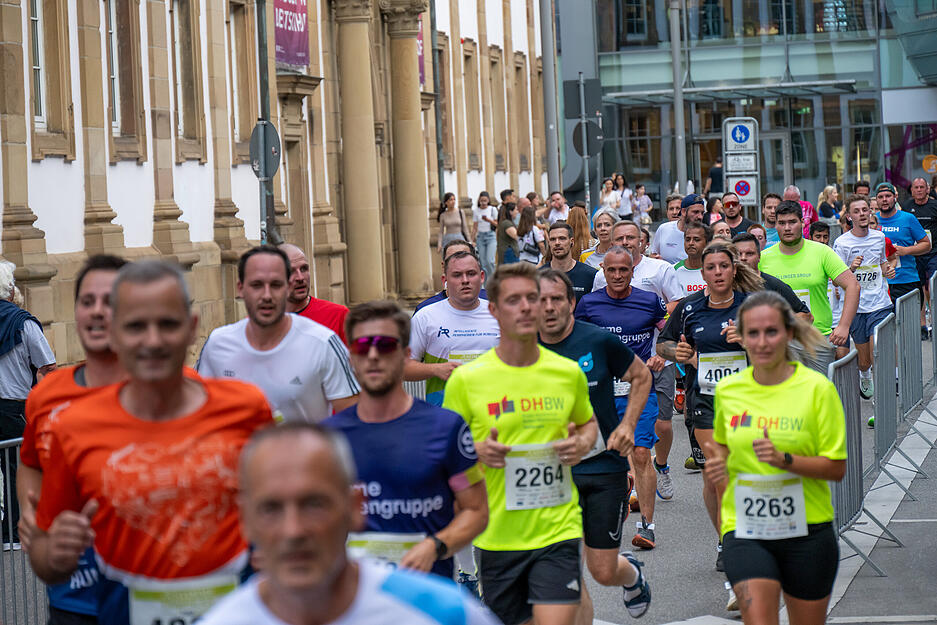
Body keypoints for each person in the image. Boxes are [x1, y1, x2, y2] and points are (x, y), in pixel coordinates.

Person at [30, 261, 275, 625]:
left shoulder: (246, 407)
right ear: (113, 333)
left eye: (168, 324)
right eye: (136, 327)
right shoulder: (74, 427)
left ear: (192, 328)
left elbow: (282, 500)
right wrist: (56, 555)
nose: (153, 340)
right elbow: (45, 555)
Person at [198, 423, 499, 625]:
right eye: (271, 508)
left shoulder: (443, 613)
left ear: (355, 508)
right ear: (245, 520)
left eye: (314, 504)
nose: (294, 530)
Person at [443, 262, 600, 625]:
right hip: (498, 537)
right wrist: (475, 451)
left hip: (558, 529)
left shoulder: (565, 372)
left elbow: (587, 423)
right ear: (494, 310)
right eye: (514, 300)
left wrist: (582, 443)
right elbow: (445, 455)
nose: (528, 307)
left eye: (533, 297)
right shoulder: (467, 381)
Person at [704, 291, 846, 625]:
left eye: (772, 332)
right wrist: (718, 466)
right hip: (747, 528)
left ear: (789, 333)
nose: (762, 342)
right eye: (753, 333)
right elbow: (722, 451)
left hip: (808, 530)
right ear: (741, 336)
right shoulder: (729, 390)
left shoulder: (816, 389)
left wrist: (786, 460)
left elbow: (836, 468)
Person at [323, 301, 488, 579]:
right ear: (351, 358)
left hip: (426, 596)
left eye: (385, 345)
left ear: (406, 354)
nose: (373, 355)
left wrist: (436, 546)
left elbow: (476, 510)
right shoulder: (325, 438)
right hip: (352, 600)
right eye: (363, 347)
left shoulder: (446, 428)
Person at [537, 269, 653, 622]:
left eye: (557, 299)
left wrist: (628, 425)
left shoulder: (598, 340)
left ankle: (631, 575)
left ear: (572, 303)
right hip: (552, 474)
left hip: (604, 467)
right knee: (567, 574)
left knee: (602, 570)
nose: (549, 307)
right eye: (540, 300)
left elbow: (641, 375)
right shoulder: (523, 350)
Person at [18, 255, 127, 625]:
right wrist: (32, 518)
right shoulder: (47, 396)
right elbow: (31, 463)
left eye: (109, 301)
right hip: (72, 596)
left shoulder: (173, 392)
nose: (97, 312)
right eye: (87, 301)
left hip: (147, 595)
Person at [658, 241, 764, 584]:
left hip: (749, 401)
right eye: (711, 267)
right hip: (705, 401)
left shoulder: (752, 306)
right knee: (717, 473)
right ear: (702, 273)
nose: (718, 272)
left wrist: (749, 341)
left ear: (734, 269)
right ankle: (727, 541)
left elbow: (779, 346)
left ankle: (745, 532)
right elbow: (664, 343)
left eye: (723, 266)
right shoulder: (690, 309)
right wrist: (682, 352)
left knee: (740, 471)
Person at [198, 246, 359, 422]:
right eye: (257, 285)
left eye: (275, 285)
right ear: (240, 288)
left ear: (286, 287)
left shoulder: (323, 342)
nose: (267, 295)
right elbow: (200, 414)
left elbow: (352, 420)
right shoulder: (218, 343)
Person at [577, 247, 667, 549]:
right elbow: (574, 339)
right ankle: (613, 504)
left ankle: (648, 527)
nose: (617, 276)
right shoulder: (588, 304)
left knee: (641, 453)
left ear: (633, 271)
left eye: (623, 270)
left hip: (639, 389)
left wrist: (658, 356)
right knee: (603, 456)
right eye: (611, 270)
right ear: (603, 269)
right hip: (599, 392)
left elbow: (667, 336)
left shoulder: (649, 301)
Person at [758, 201, 860, 375]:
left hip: (817, 339)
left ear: (802, 223)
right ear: (776, 226)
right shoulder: (763, 258)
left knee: (819, 396)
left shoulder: (821, 252)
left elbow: (853, 285)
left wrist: (843, 326)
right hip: (778, 341)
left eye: (792, 222)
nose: (787, 228)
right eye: (782, 223)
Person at [0, 260, 56, 546]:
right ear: (10, 291)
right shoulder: (23, 323)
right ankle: (12, 532)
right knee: (16, 469)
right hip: (13, 406)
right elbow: (47, 365)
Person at [406, 251, 499, 406]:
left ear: (482, 277)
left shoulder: (500, 314)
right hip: (445, 415)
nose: (465, 280)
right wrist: (435, 369)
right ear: (445, 280)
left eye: (471, 274)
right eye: (457, 275)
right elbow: (402, 368)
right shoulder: (426, 317)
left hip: (494, 413)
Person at [832, 195, 896, 404]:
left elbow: (882, 263)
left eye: (865, 210)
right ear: (849, 216)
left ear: (871, 212)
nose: (862, 214)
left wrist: (888, 271)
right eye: (857, 211)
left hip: (879, 303)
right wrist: (851, 268)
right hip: (856, 308)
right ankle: (865, 375)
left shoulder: (878, 237)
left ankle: (881, 399)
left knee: (878, 349)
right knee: (864, 360)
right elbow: (835, 280)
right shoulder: (842, 243)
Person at [877, 181, 932, 338]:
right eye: (880, 197)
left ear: (895, 197)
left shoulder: (908, 218)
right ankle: (891, 363)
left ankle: (908, 363)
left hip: (906, 281)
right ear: (876, 200)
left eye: (888, 196)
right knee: (885, 334)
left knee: (908, 334)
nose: (885, 199)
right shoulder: (872, 221)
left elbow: (926, 245)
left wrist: (906, 250)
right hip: (881, 285)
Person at [731, 233, 812, 321]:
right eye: (738, 254)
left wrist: (777, 322)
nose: (743, 258)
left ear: (759, 257)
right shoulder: (725, 286)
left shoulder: (774, 285)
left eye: (749, 253)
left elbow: (807, 316)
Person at [279, 243, 349, 342]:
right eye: (291, 271)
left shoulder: (338, 315)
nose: (300, 278)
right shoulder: (263, 324)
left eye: (304, 269)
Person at [415, 239, 488, 312]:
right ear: (443, 267)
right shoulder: (425, 311)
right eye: (451, 259)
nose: (459, 263)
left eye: (464, 256)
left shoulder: (493, 302)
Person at [906, 176, 937, 336]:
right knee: (918, 289)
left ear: (928, 189)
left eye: (921, 187)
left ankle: (934, 322)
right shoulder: (906, 207)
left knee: (933, 288)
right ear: (912, 190)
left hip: (933, 253)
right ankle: (922, 325)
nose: (918, 190)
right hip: (915, 254)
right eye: (915, 187)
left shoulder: (934, 206)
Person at [544, 222, 598, 304]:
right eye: (553, 239)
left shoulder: (590, 275)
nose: (557, 243)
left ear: (571, 241)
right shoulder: (539, 276)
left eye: (562, 238)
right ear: (549, 243)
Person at [649, 194, 706, 263]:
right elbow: (653, 256)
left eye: (702, 213)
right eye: (695, 212)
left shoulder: (706, 234)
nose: (700, 217)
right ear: (683, 212)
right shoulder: (663, 229)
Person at [674, 222, 712, 297]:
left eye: (696, 239)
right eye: (687, 239)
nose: (691, 243)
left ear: (707, 243)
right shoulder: (673, 270)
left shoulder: (715, 270)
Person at [472, 191, 498, 280]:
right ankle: (486, 284)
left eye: (485, 200)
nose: (483, 203)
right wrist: (472, 240)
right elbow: (475, 227)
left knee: (490, 260)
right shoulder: (476, 211)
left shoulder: (492, 209)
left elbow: (497, 224)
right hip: (480, 237)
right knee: (483, 262)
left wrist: (488, 220)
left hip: (491, 236)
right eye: (481, 200)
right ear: (479, 200)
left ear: (488, 200)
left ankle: (494, 280)